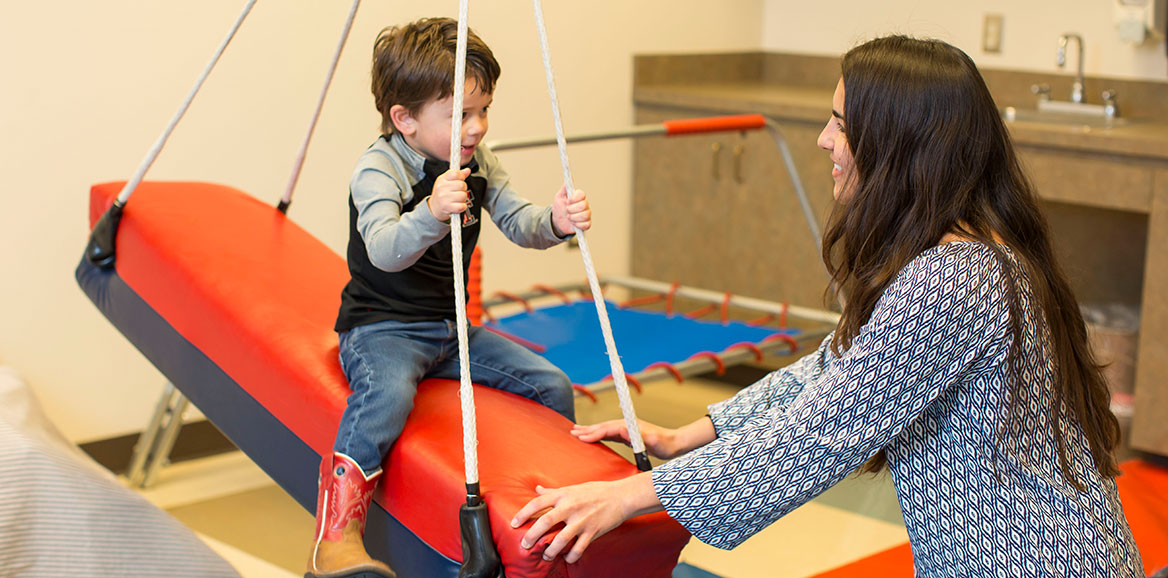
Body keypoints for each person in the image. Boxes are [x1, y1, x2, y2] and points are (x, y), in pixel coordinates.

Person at [511, 35, 1144, 575]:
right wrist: (690, 435)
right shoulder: (963, 250)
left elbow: (819, 435)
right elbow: (835, 370)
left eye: (841, 124)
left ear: (897, 145)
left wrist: (629, 495)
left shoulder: (957, 281)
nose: (822, 140)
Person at [307, 18, 590, 578]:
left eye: (484, 109)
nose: (478, 127)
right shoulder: (378, 168)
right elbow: (385, 249)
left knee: (550, 385)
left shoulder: (478, 162)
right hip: (381, 328)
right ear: (405, 119)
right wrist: (432, 212)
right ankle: (335, 538)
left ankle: (542, 510)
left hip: (450, 331)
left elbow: (519, 221)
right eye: (460, 114)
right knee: (385, 396)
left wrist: (555, 221)